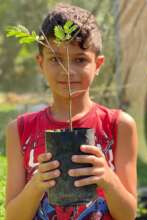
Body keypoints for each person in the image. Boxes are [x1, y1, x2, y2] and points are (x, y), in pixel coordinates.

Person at [5, 3, 137, 220]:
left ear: (98, 64)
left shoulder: (119, 125)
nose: (68, 72)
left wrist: (106, 177)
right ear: (41, 63)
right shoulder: (20, 130)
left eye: (80, 59)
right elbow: (13, 216)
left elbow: (128, 215)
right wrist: (37, 184)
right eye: (55, 59)